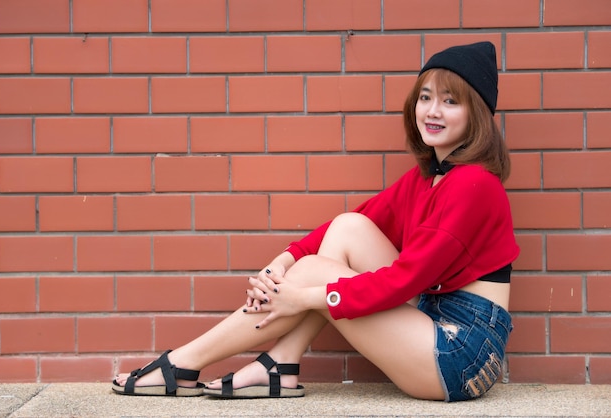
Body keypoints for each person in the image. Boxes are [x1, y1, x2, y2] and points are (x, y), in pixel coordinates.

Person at [112, 41, 519, 402]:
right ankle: (281, 363)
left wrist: (306, 296)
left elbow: (405, 279)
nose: (432, 111)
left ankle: (185, 362)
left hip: (462, 352)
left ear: (476, 114)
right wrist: (281, 264)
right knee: (347, 228)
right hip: (433, 316)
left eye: (450, 101)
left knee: (311, 275)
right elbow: (354, 223)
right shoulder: (429, 178)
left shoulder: (473, 186)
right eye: (425, 97)